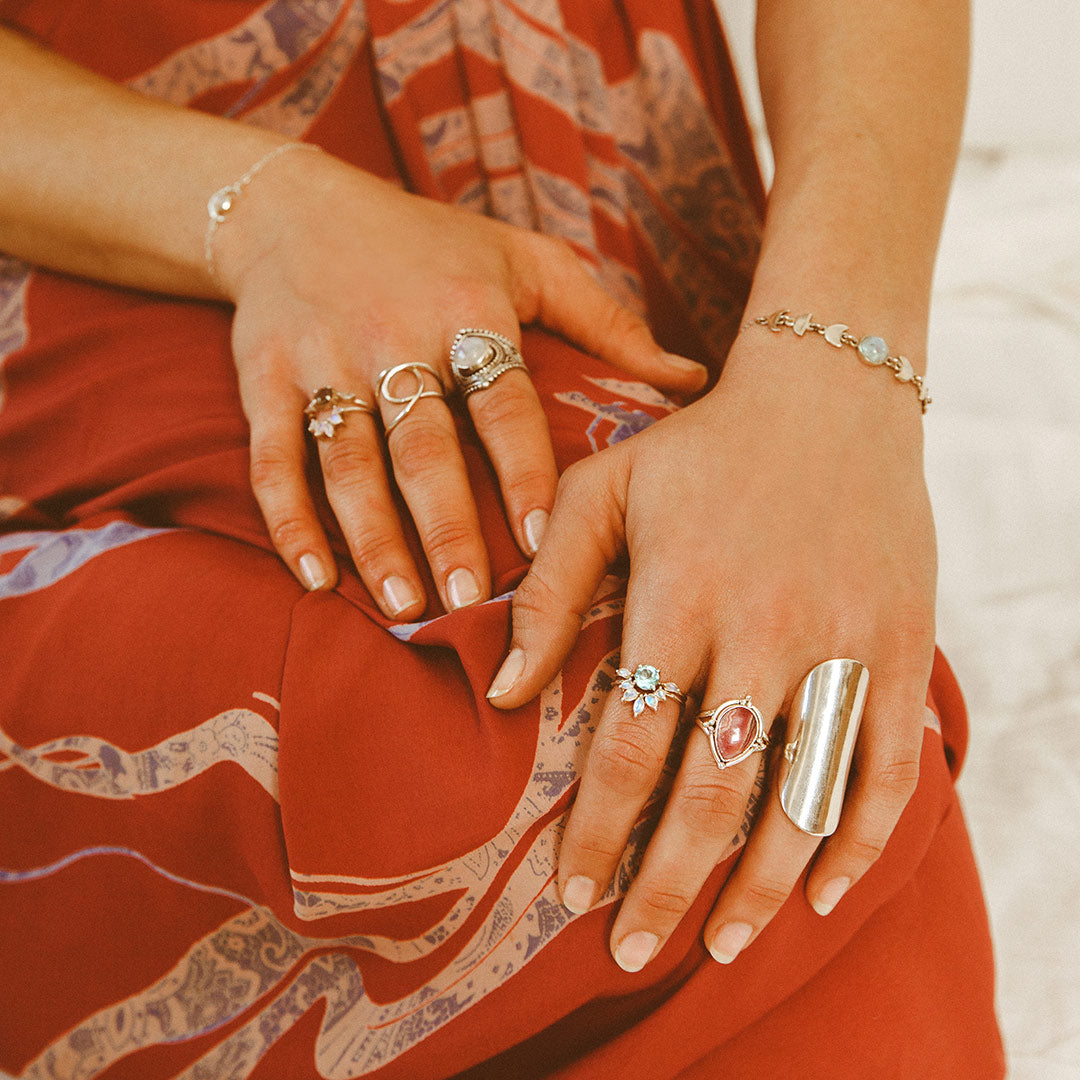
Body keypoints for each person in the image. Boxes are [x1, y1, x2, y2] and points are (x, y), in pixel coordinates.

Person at [0, 1, 1005, 1076]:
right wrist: (266, 213)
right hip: (105, 200)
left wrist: (834, 378)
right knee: (631, 752)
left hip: (588, 173)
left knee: (807, 718)